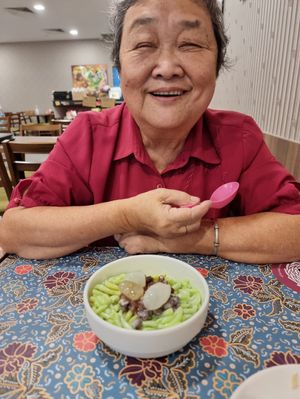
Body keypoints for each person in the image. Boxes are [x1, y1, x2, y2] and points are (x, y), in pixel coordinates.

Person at [0, 0, 299, 263]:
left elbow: (294, 228)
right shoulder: (87, 135)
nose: (167, 68)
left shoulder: (239, 136)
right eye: (144, 44)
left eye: (191, 44)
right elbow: (15, 230)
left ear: (217, 62)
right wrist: (127, 214)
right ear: (120, 64)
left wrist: (193, 239)